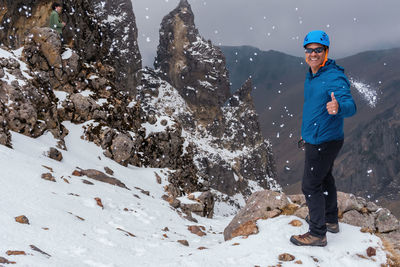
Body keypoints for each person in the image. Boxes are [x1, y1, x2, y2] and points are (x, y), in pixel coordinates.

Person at [290, 30, 356, 247]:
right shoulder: (313, 73)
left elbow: (351, 105)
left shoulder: (334, 77)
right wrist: (306, 132)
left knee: (310, 186)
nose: (313, 54)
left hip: (324, 141)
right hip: (317, 137)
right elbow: (314, 108)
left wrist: (339, 107)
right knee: (325, 177)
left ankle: (318, 233)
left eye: (318, 50)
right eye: (309, 50)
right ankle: (330, 220)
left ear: (326, 51)